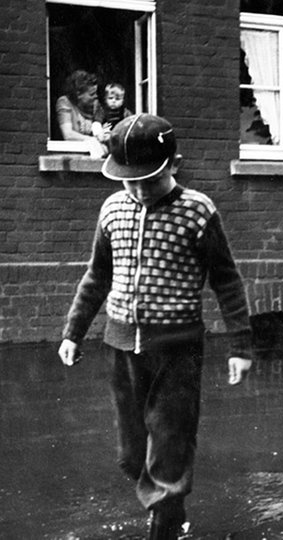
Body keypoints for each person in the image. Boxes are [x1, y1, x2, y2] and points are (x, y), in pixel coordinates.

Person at [58, 113, 254, 539]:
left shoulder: (198, 212)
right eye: (131, 181)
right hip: (121, 345)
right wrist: (74, 331)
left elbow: (226, 279)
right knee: (132, 454)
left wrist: (241, 344)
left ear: (174, 165)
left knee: (169, 441)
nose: (141, 190)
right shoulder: (111, 210)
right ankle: (169, 498)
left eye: (150, 180)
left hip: (177, 349)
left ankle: (166, 518)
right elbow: (97, 276)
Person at [55, 69, 105, 157]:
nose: (95, 96)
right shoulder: (65, 102)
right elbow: (68, 135)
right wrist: (93, 140)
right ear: (78, 94)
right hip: (72, 156)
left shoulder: (95, 106)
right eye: (91, 94)